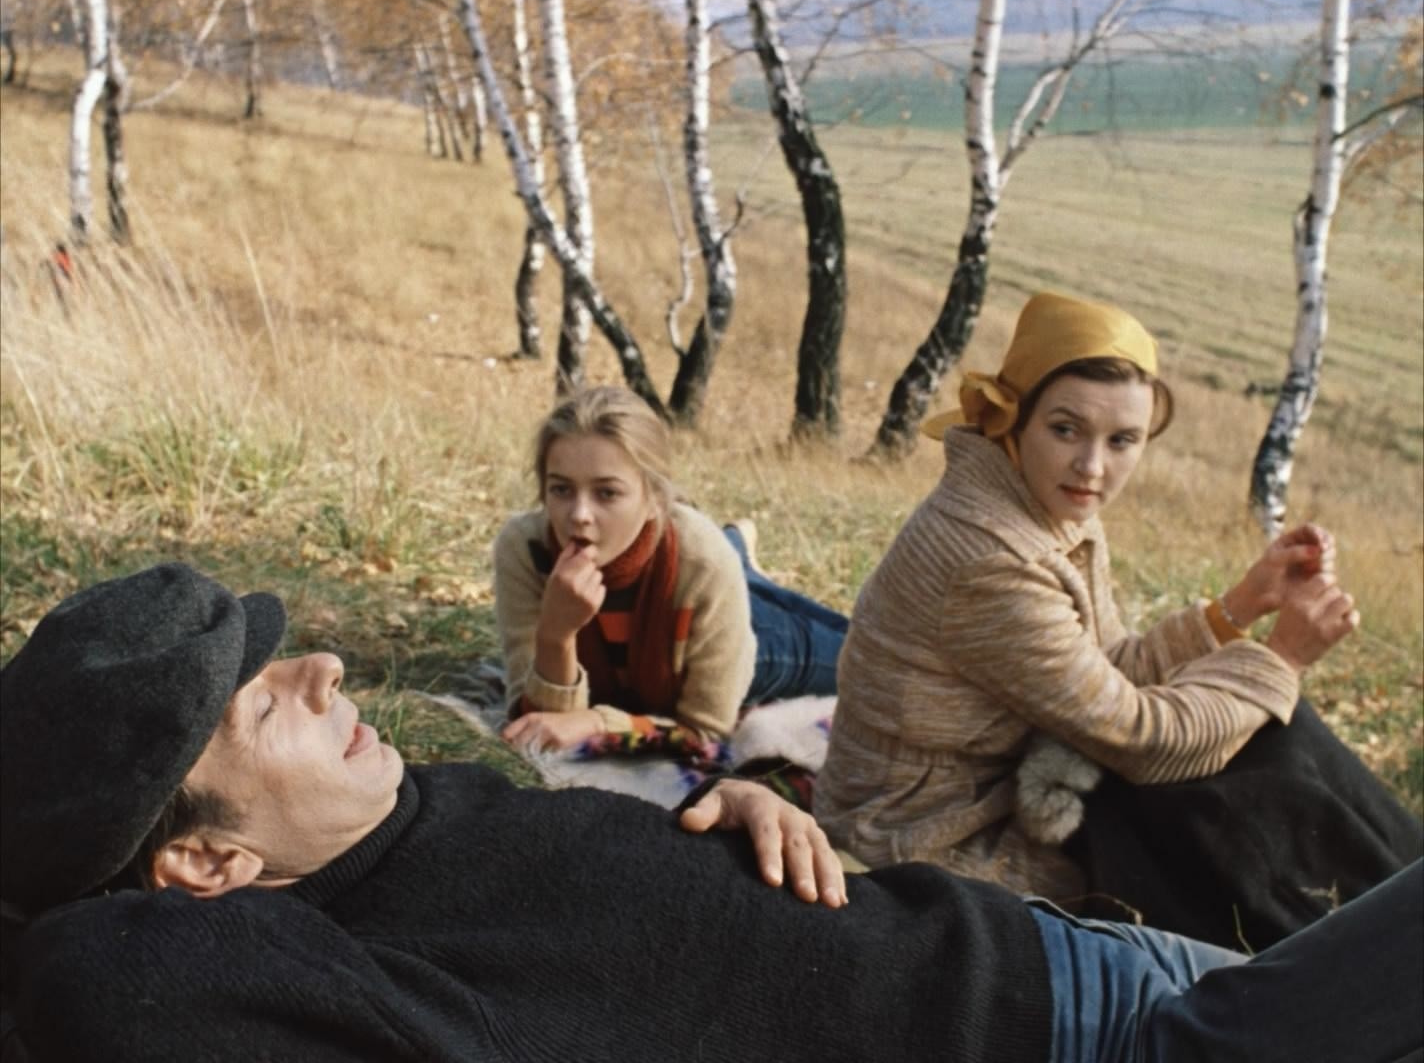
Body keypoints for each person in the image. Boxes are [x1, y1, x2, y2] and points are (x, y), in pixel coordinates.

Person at [1, 563, 1419, 1062]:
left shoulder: (403, 824)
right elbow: (92, 982)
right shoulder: (295, 967)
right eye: (263, 704)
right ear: (205, 860)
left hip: (1058, 953)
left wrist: (724, 797)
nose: (320, 666)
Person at [816, 291, 1422, 947]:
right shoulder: (992, 558)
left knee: (1262, 732)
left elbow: (1112, 669)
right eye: (1065, 429)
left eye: (1122, 440)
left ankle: (1395, 910)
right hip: (936, 840)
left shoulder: (1044, 504)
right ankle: (1379, 936)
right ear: (1012, 419)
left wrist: (1241, 606)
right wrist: (1283, 658)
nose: (1093, 467)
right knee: (1246, 765)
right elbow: (1138, 739)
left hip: (1018, 786)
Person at [492, 385, 847, 757]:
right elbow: (538, 724)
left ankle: (736, 554)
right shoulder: (525, 549)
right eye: (561, 489)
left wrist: (599, 722)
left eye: (607, 493)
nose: (579, 515)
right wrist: (556, 635)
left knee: (862, 658)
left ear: (655, 500)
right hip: (696, 578)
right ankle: (738, 548)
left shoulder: (704, 563)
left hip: (733, 631)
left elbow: (704, 731)